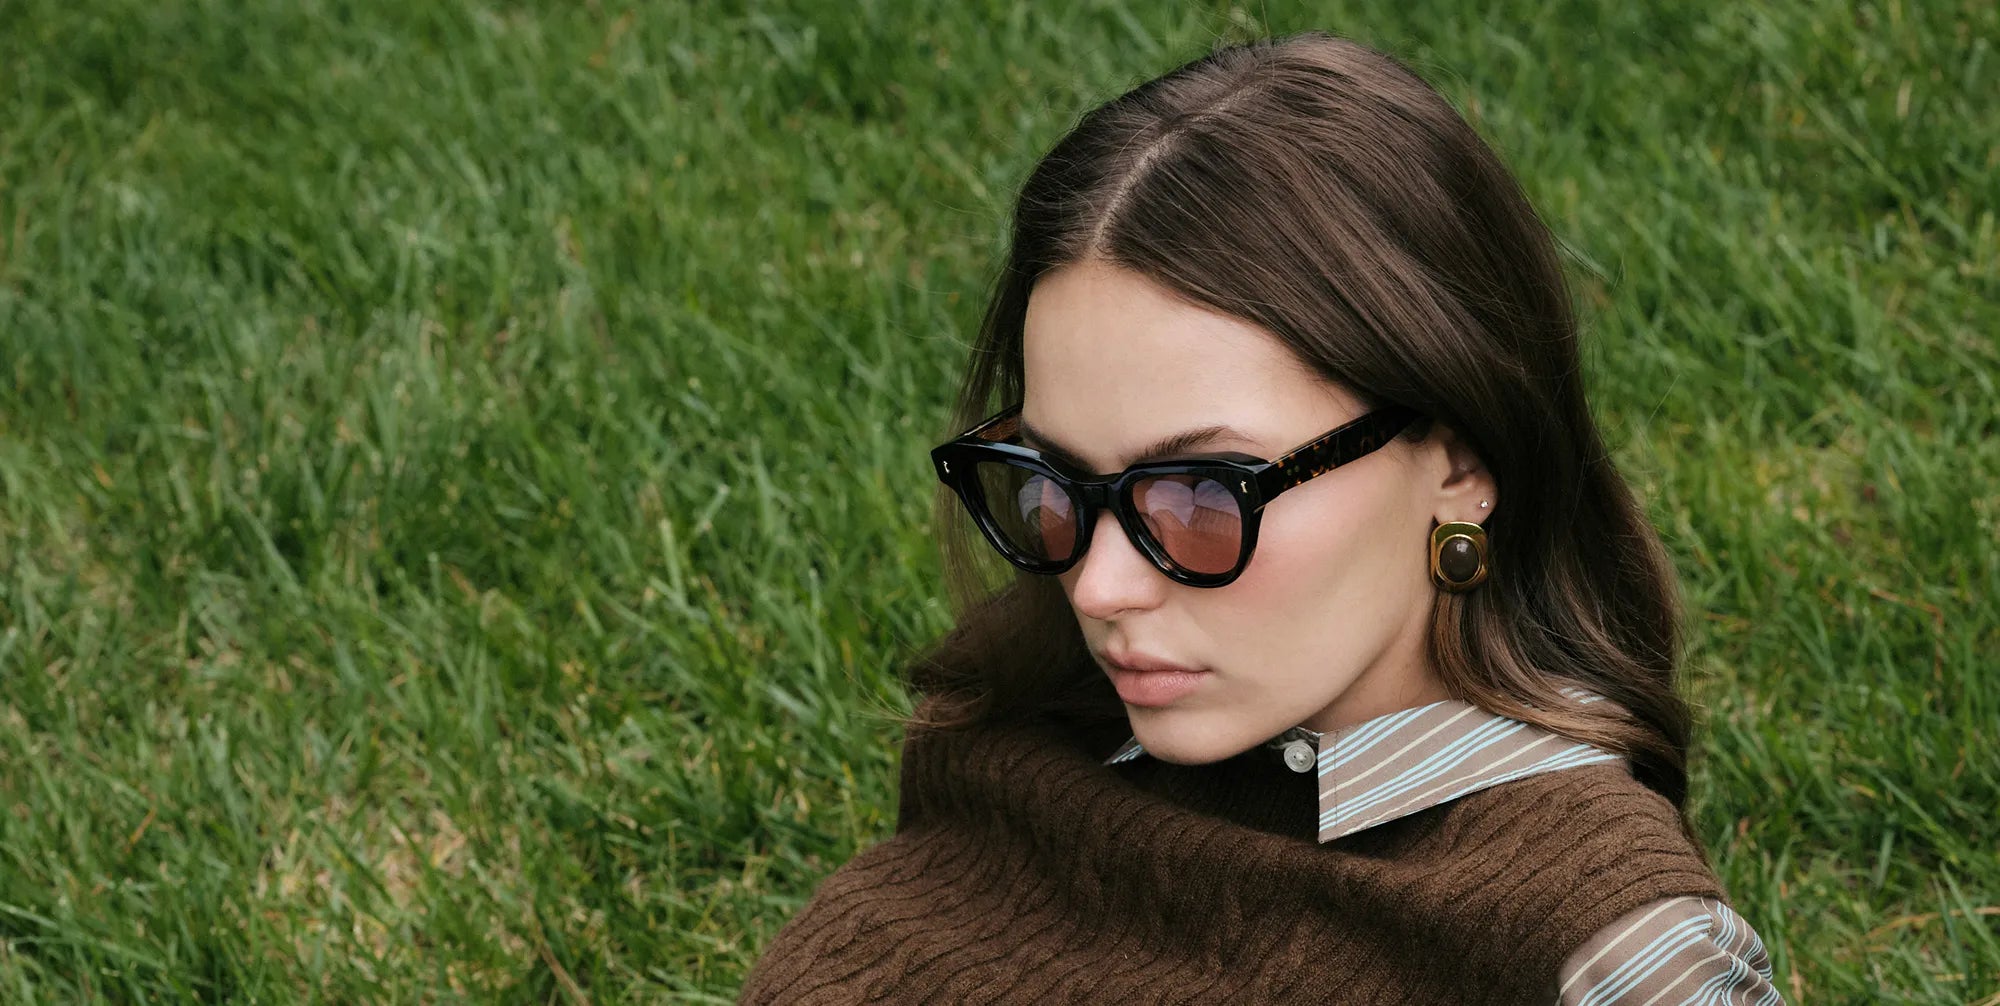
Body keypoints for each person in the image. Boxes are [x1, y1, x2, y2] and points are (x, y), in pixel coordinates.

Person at [740, 30, 1783, 1005]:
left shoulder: (1606, 943)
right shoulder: (1026, 737)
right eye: (1054, 486)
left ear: (1459, 459)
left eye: (1198, 496)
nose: (1097, 587)